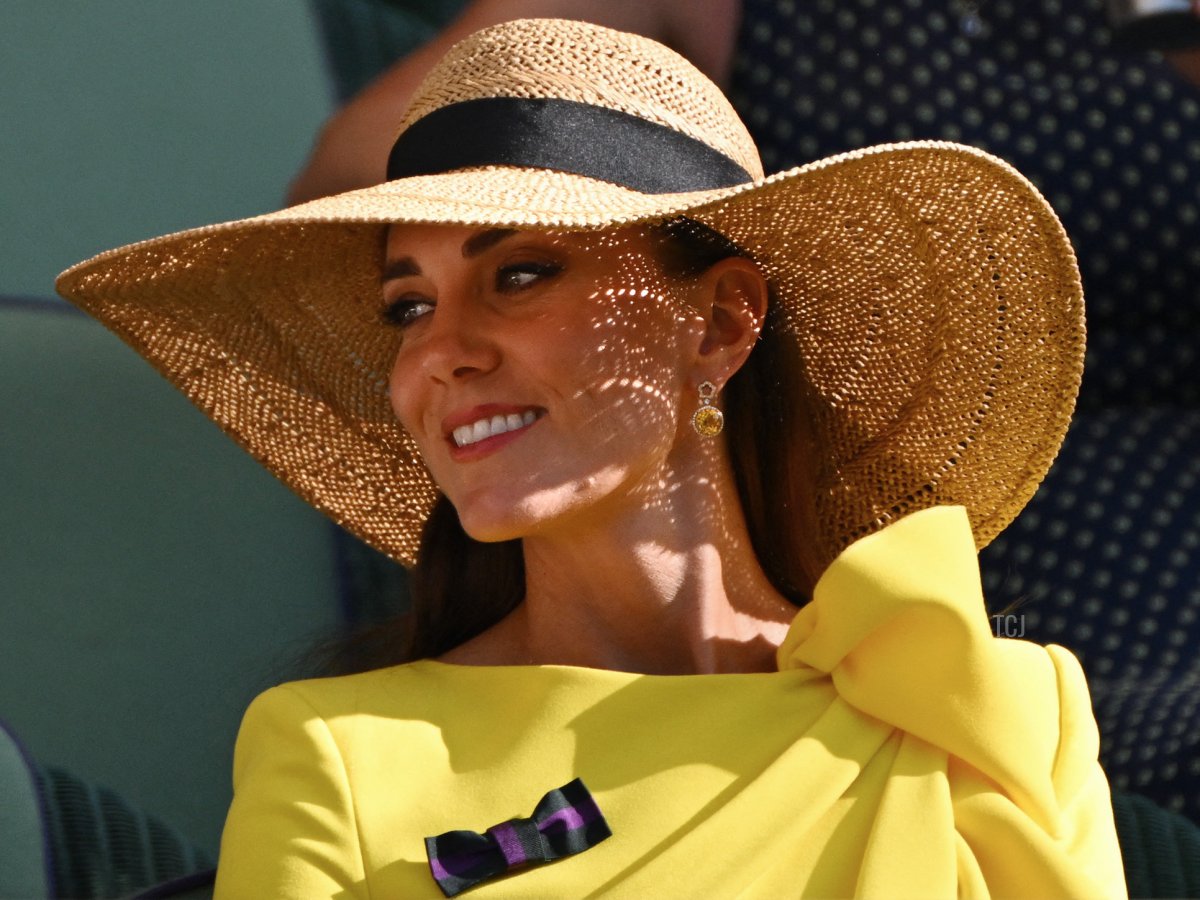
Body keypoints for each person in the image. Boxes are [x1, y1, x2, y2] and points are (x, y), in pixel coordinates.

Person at [57, 17, 1125, 898]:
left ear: (721, 323)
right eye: (408, 306)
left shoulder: (979, 703)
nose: (441, 352)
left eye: (519, 273)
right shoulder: (343, 751)